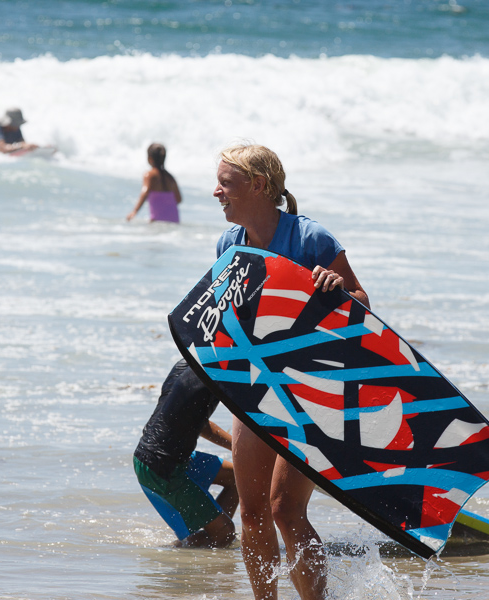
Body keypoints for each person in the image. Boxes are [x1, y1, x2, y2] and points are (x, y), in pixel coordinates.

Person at [213, 143, 369, 600]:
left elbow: (363, 304)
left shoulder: (310, 239)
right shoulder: (229, 245)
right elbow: (224, 322)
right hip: (256, 388)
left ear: (258, 185)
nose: (216, 191)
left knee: (284, 509)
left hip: (311, 390)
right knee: (252, 513)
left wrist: (340, 290)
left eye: (226, 182)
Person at [133, 359, 239, 548]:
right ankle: (190, 553)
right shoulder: (213, 371)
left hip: (160, 456)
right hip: (163, 467)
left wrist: (237, 448)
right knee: (226, 534)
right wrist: (239, 448)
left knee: (237, 477)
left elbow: (200, 423)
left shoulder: (188, 362)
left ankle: (209, 535)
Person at [126, 143, 182, 223]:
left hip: (158, 219)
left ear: (150, 159)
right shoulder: (170, 177)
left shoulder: (149, 175)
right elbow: (179, 199)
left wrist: (134, 211)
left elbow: (145, 193)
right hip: (174, 219)